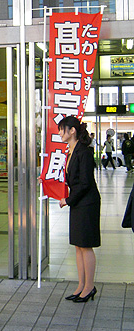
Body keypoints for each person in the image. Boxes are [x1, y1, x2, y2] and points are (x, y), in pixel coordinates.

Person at [58, 116, 101, 303]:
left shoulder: (84, 152)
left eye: (62, 129)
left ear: (72, 131)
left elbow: (85, 183)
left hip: (87, 203)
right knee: (78, 245)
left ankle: (89, 286)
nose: (60, 133)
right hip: (78, 203)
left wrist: (68, 200)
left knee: (86, 245)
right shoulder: (71, 151)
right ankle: (81, 285)